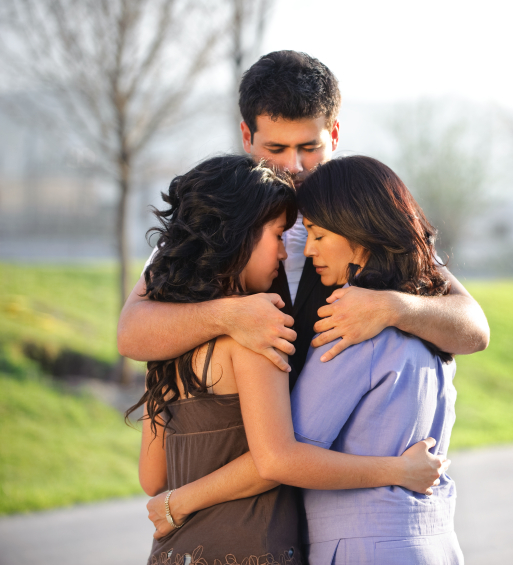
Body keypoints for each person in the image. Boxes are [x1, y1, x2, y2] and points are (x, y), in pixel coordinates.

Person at [119, 49, 489, 536]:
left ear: (334, 133)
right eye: (275, 149)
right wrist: (230, 317)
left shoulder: (363, 220)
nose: (295, 166)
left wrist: (393, 307)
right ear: (246, 136)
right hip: (245, 511)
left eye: (309, 147)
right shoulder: (216, 229)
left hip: (333, 512)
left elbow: (473, 326)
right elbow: (132, 334)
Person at [129, 155, 447, 565]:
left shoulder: (165, 352)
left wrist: (175, 502)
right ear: (238, 237)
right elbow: (278, 459)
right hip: (249, 551)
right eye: (279, 235)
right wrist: (398, 471)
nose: (285, 252)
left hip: (175, 551)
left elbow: (151, 480)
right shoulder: (259, 336)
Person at [291, 155, 463, 564]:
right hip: (433, 541)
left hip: (365, 548)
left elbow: (289, 458)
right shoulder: (428, 321)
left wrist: (182, 499)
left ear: (358, 231)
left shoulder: (353, 329)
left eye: (316, 233)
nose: (308, 249)